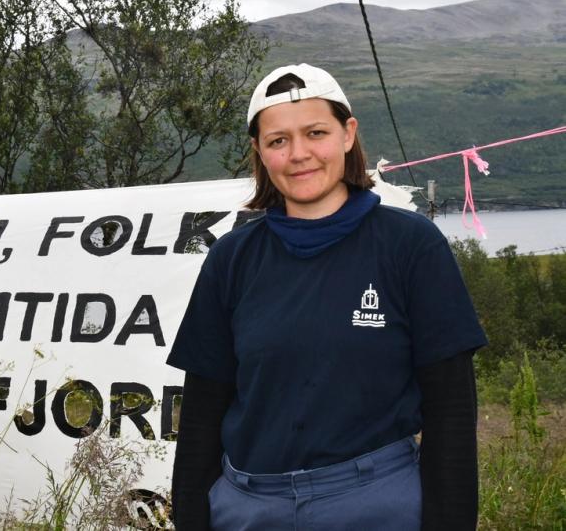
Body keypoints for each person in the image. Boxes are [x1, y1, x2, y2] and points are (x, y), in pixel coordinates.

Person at [166, 63, 487, 530]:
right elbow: (202, 411)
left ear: (347, 134)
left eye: (316, 132)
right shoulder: (232, 259)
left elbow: (451, 409)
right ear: (259, 151)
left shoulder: (410, 245)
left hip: (378, 505)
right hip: (249, 507)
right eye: (278, 140)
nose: (299, 154)